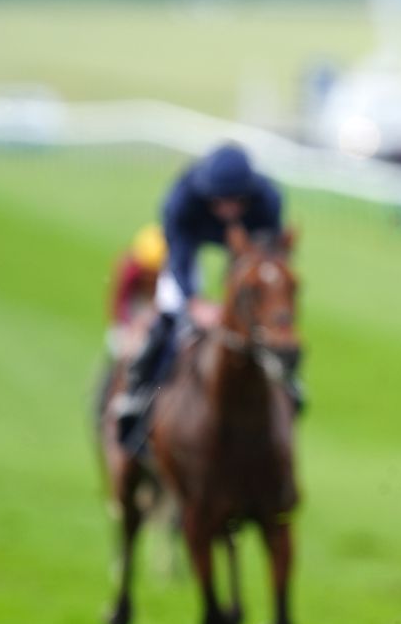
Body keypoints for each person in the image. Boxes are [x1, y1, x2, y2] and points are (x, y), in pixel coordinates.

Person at [112, 143, 289, 443]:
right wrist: (194, 303)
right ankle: (138, 395)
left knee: (265, 319)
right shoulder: (181, 200)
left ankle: (288, 387)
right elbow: (179, 260)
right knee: (169, 317)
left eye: (237, 200)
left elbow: (268, 259)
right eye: (220, 200)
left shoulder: (268, 201)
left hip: (246, 252)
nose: (229, 208)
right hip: (188, 249)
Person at [105, 224, 167, 357]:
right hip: (135, 302)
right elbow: (120, 299)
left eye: (153, 274)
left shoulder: (168, 274)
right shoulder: (130, 268)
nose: (150, 277)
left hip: (153, 303)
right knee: (121, 345)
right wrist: (127, 325)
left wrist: (149, 320)